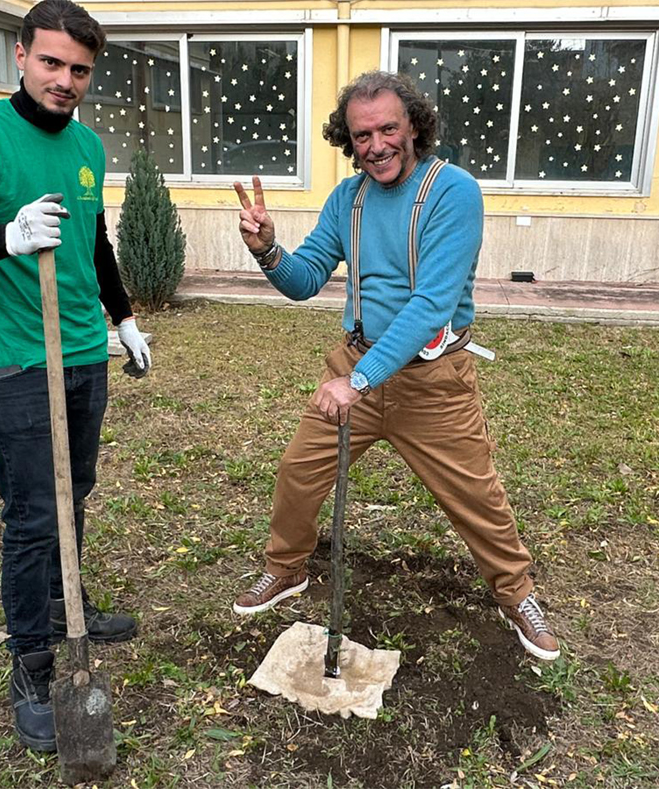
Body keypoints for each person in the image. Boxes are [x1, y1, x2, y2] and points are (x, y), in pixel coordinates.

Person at [230, 71, 561, 662]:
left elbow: (432, 303)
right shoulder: (348, 199)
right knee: (299, 473)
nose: (376, 145)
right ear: (348, 140)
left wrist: (359, 381)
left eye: (388, 128)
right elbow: (304, 280)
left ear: (414, 126)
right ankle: (286, 569)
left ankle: (517, 595)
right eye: (362, 135)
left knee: (476, 496)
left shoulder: (452, 192)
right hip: (356, 366)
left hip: (431, 381)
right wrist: (267, 250)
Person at [0, 0, 149, 753]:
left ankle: (62, 603)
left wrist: (124, 317)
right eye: (52, 62)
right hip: (14, 357)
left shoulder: (86, 144)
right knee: (32, 515)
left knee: (73, 491)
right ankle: (31, 663)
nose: (66, 80)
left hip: (80, 347)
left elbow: (95, 238)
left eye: (80, 69)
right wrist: (5, 236)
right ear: (20, 55)